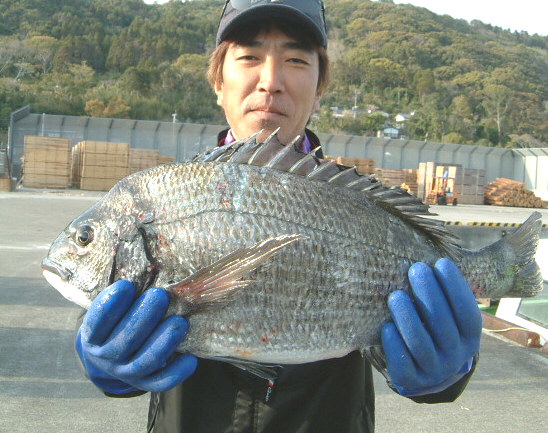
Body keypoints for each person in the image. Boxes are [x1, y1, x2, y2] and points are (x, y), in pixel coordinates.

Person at [75, 1, 482, 432]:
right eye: (249, 57)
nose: (271, 82)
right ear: (218, 82)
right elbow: (117, 297)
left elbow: (412, 340)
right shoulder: (165, 198)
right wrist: (102, 358)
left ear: (320, 87)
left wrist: (447, 376)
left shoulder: (355, 206)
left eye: (296, 60)